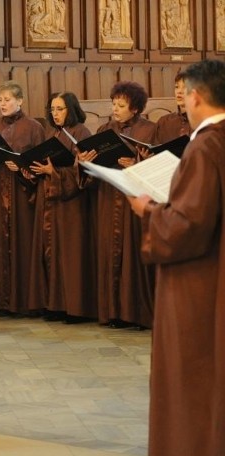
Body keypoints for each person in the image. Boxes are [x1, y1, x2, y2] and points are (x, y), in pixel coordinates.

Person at [128, 58, 225, 456]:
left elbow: (188, 225)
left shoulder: (206, 145)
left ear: (196, 96)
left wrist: (149, 210)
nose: (182, 101)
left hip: (199, 283)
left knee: (196, 373)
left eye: (184, 93)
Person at [79, 80, 156, 329]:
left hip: (133, 199)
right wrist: (85, 161)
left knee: (133, 255)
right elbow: (90, 169)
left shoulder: (149, 130)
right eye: (113, 103)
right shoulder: (104, 128)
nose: (115, 108)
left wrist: (136, 165)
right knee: (108, 252)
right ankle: (112, 312)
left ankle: (135, 313)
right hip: (108, 195)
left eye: (121, 105)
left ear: (135, 108)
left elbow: (156, 166)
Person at [0, 80, 45, 317]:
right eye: (0, 100)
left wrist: (22, 169)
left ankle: (22, 303)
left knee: (21, 244)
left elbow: (40, 162)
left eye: (7, 99)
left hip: (21, 194)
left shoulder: (34, 127)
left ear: (20, 101)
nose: (3, 103)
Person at [28, 92, 97, 323]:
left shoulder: (82, 132)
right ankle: (54, 304)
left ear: (71, 109)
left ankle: (75, 308)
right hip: (50, 202)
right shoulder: (51, 133)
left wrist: (54, 173)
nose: (55, 114)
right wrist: (34, 170)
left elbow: (84, 171)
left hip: (72, 206)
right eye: (53, 109)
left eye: (60, 109)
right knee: (52, 252)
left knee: (70, 255)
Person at [155, 71, 191, 144]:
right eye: (177, 87)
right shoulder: (164, 122)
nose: (179, 91)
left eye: (185, 87)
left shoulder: (206, 122)